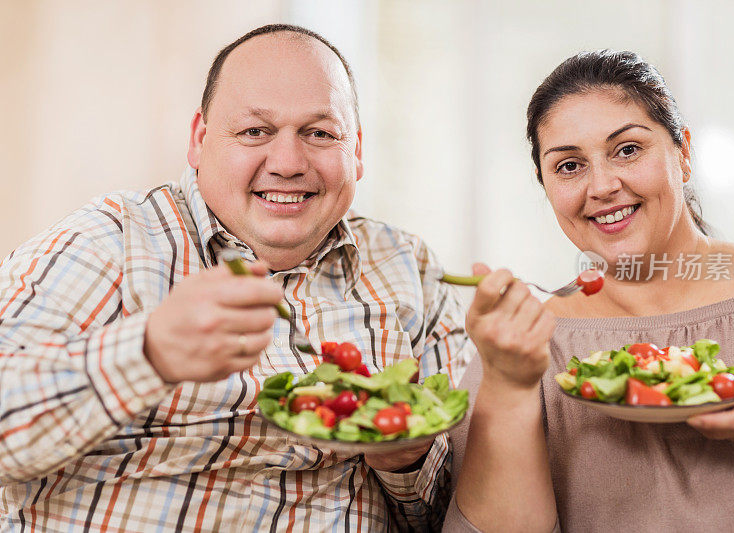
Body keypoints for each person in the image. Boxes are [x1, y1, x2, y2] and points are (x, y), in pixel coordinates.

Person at [0, 24, 473, 531]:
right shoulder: (109, 243)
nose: (289, 163)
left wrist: (405, 461)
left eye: (320, 133)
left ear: (355, 150)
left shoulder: (411, 268)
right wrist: (148, 350)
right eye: (255, 132)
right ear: (200, 140)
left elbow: (459, 512)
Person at [446, 50, 734, 532]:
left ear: (683, 152)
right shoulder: (523, 345)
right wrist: (509, 386)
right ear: (545, 185)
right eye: (569, 166)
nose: (603, 186)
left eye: (628, 150)